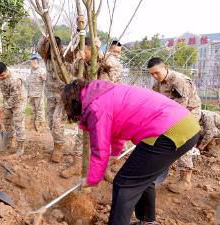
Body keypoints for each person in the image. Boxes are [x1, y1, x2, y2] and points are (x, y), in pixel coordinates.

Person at [62, 79, 200, 225]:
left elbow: (100, 149)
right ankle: (146, 221)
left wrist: (92, 179)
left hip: (168, 131)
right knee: (143, 178)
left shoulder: (96, 107)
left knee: (124, 184)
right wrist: (115, 152)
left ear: (74, 102)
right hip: (186, 125)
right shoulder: (104, 94)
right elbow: (117, 129)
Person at [148, 57, 201, 193]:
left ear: (165, 67)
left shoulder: (179, 81)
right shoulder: (157, 84)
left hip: (188, 114)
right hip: (169, 114)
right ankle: (157, 173)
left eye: (156, 73)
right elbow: (155, 102)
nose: (154, 76)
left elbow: (181, 108)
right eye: (151, 74)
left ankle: (185, 180)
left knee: (181, 141)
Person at [37, 36, 67, 163]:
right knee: (50, 121)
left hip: (63, 96)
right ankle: (56, 142)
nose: (48, 50)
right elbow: (40, 49)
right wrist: (43, 40)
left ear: (58, 47)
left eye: (51, 46)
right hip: (50, 95)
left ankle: (59, 148)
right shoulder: (47, 57)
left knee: (57, 121)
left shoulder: (66, 56)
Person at [0, 62, 27, 157]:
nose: (0, 78)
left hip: (19, 101)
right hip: (7, 99)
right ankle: (10, 142)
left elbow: (15, 98)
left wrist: (4, 107)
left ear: (6, 70)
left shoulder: (15, 80)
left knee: (18, 123)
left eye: (2, 75)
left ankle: (20, 149)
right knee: (7, 121)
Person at [26, 55, 46, 129]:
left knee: (40, 110)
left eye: (31, 62)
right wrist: (28, 94)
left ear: (35, 61)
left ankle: (41, 124)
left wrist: (42, 93)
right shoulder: (31, 70)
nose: (30, 63)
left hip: (38, 94)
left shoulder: (42, 71)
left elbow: (45, 82)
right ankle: (32, 123)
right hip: (31, 93)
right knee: (32, 109)